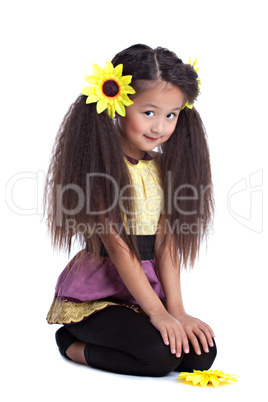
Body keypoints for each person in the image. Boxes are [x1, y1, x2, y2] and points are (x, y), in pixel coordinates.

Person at [44, 44, 217, 377]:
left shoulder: (165, 169)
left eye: (171, 114)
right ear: (120, 104)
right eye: (148, 112)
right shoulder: (102, 170)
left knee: (201, 355)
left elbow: (167, 244)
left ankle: (148, 322)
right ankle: (71, 342)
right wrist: (157, 314)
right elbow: (121, 251)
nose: (160, 127)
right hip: (102, 292)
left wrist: (176, 310)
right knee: (159, 358)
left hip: (143, 291)